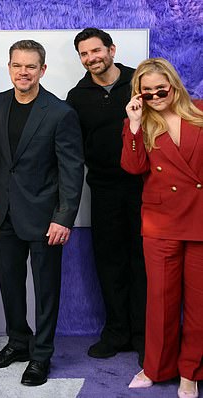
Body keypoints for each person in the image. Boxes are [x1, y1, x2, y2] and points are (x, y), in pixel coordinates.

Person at [0, 40, 84, 386]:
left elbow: (71, 170)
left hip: (44, 217)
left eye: (31, 67)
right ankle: (18, 342)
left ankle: (41, 356)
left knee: (46, 289)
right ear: (10, 68)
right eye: (17, 66)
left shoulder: (60, 112)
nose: (23, 72)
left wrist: (63, 217)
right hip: (3, 212)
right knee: (9, 283)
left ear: (43, 70)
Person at [121, 57, 203, 398]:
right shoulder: (138, 122)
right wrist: (136, 123)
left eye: (161, 89)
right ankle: (156, 367)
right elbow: (133, 166)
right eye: (148, 92)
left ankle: (190, 372)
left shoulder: (199, 111)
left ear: (174, 85)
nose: (155, 96)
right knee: (160, 301)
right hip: (160, 222)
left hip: (199, 217)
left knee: (199, 303)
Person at [66, 28, 146, 365]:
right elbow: (74, 148)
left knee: (143, 262)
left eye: (96, 51)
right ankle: (116, 332)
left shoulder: (139, 82)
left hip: (144, 186)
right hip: (101, 188)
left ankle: (144, 334)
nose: (91, 59)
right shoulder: (76, 96)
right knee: (109, 261)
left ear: (111, 50)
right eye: (84, 55)